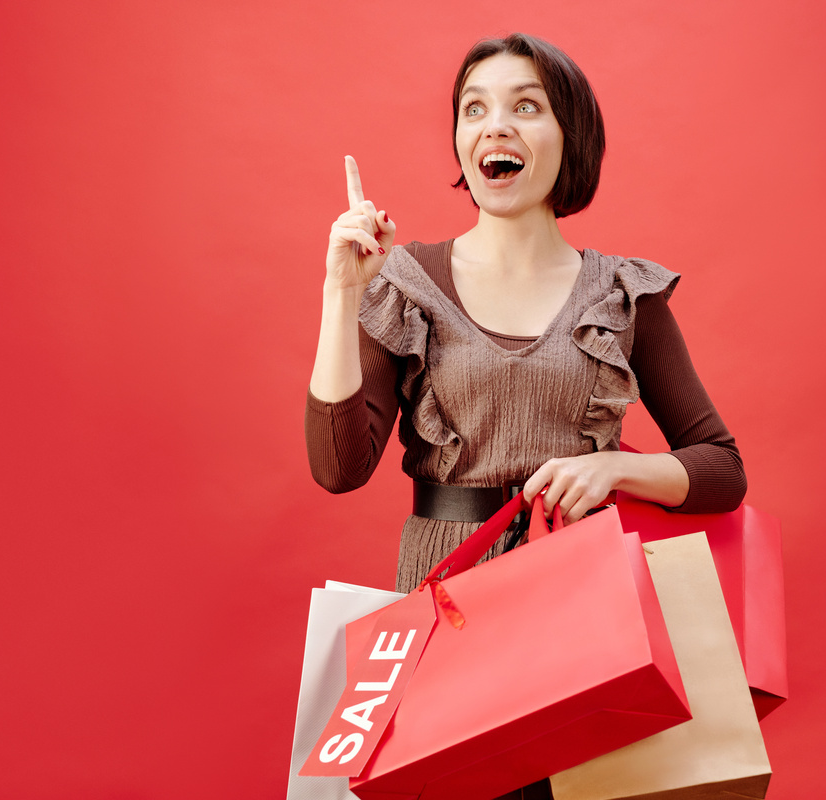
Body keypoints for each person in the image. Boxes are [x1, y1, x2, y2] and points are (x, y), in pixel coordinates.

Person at [305, 34, 746, 798]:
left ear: (569, 139)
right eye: (474, 109)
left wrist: (614, 467)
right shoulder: (404, 280)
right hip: (447, 604)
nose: (494, 125)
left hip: (584, 603)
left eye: (526, 107)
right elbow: (338, 469)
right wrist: (343, 296)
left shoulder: (620, 293)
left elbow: (722, 468)